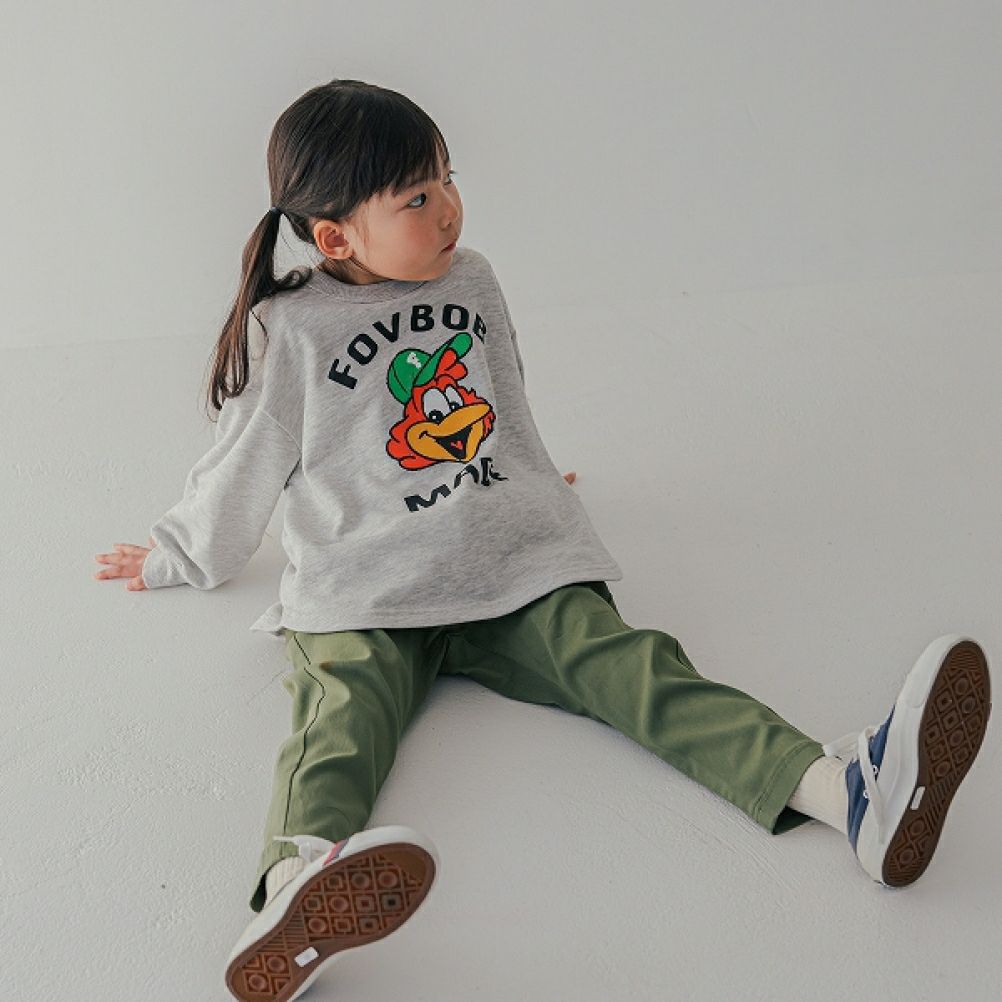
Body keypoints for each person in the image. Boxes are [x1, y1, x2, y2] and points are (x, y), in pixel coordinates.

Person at [93, 79, 992, 1002]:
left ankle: (848, 796)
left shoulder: (472, 278)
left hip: (512, 564)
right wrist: (181, 555)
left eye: (448, 179)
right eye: (416, 197)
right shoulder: (290, 331)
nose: (449, 208)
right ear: (335, 238)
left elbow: (502, 393)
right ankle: (296, 893)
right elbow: (244, 459)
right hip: (366, 589)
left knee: (642, 674)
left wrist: (523, 472)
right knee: (337, 728)